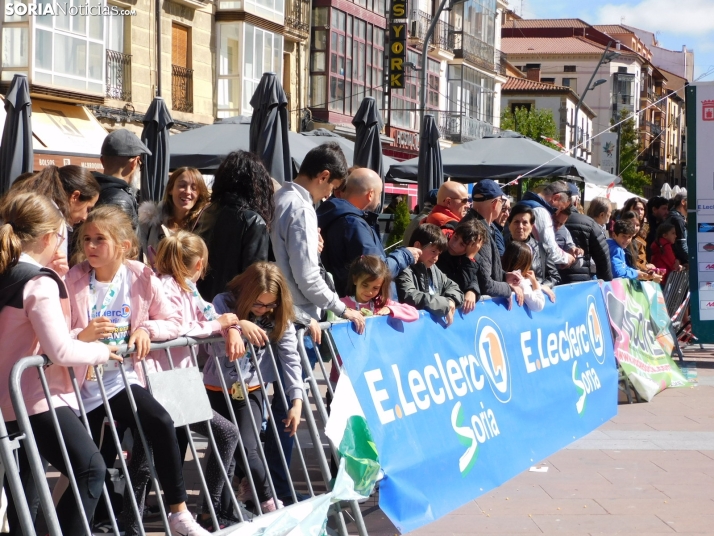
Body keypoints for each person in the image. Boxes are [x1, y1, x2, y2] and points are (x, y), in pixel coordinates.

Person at [64, 207, 210, 536]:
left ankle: (179, 512)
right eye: (86, 239)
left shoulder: (141, 275)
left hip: (124, 379)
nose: (90, 246)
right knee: (91, 466)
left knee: (162, 422)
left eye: (100, 239)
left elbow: (174, 321)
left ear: (124, 245)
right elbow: (55, 334)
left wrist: (145, 329)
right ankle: (83, 523)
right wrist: (81, 336)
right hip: (79, 386)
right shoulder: (73, 278)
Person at [0, 193, 118, 536]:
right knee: (90, 468)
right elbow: (61, 350)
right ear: (51, 237)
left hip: (12, 398)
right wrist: (98, 350)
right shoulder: (38, 281)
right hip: (34, 397)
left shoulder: (11, 271)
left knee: (24, 490)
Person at [122, 231, 241, 533]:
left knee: (221, 435)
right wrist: (218, 325)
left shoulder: (188, 287)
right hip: (160, 379)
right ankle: (133, 523)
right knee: (145, 455)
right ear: (200, 264)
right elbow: (177, 328)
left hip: (178, 378)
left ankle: (207, 512)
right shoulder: (166, 286)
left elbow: (213, 315)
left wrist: (234, 326)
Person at [206, 262, 304, 513]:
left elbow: (291, 356)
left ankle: (268, 502)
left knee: (247, 446)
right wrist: (236, 326)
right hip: (217, 388)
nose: (263, 311)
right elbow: (211, 346)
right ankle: (218, 511)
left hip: (252, 388)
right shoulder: (223, 303)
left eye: (270, 305)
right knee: (224, 453)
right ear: (247, 294)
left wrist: (296, 401)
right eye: (258, 304)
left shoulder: (277, 313)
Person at [271, 142, 366, 335]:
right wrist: (342, 309)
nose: (328, 196)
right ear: (324, 177)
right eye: (332, 187)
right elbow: (308, 277)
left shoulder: (278, 197)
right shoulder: (301, 209)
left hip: (284, 312)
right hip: (298, 319)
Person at [316, 167, 419, 295]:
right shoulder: (353, 223)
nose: (380, 199)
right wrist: (406, 254)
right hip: (359, 306)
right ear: (370, 194)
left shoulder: (341, 217)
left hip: (345, 301)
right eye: (380, 194)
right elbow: (376, 271)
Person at [196, 151, 274, 301]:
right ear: (257, 185)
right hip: (233, 310)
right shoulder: (253, 221)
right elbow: (256, 279)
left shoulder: (207, 211)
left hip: (201, 305)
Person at [7, 165, 101, 273]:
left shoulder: (31, 206)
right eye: (88, 209)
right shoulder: (57, 222)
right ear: (75, 196)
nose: (85, 217)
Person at [461, 180, 524, 307]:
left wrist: (505, 275)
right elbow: (486, 284)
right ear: (495, 204)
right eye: (502, 202)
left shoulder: (478, 225)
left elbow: (484, 270)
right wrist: (508, 289)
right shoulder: (478, 230)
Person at [138, 167, 210, 266]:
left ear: (199, 194)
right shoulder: (149, 220)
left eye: (194, 188)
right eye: (182, 185)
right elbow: (139, 257)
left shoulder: (204, 226)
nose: (187, 191)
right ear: (171, 189)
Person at [396, 223, 464, 326]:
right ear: (418, 246)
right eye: (433, 251)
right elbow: (410, 296)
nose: (436, 258)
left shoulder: (433, 268)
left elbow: (453, 287)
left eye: (438, 254)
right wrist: (445, 304)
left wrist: (451, 300)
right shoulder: (404, 268)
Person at [94, 129, 152, 228]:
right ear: (134, 162)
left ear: (102, 161)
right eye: (140, 164)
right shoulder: (120, 200)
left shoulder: (92, 187)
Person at [515, 181, 575, 267]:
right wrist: (567, 258)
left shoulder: (522, 203)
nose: (557, 214)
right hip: (527, 266)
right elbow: (549, 248)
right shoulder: (540, 211)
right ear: (555, 198)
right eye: (560, 208)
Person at [506, 205, 558, 302]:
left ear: (531, 227)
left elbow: (554, 277)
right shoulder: (501, 248)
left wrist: (539, 286)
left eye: (525, 222)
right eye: (516, 222)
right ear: (509, 225)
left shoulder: (542, 249)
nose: (520, 227)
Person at [436, 219, 487, 314]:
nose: (454, 245)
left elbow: (475, 278)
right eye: (455, 237)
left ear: (471, 248)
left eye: (462, 244)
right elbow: (455, 284)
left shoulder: (473, 259)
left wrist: (472, 290)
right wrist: (469, 258)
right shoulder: (439, 249)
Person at [559, 200, 612, 283]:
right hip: (581, 280)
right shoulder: (590, 223)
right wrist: (607, 283)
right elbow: (603, 259)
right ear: (576, 202)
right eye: (610, 213)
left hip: (553, 279)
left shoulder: (548, 219)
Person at [501, 241, 545, 312]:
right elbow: (538, 305)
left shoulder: (500, 274)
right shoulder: (518, 280)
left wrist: (542, 286)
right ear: (525, 264)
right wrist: (534, 282)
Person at [664, 193, 688, 266]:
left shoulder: (671, 215)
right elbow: (681, 244)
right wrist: (690, 260)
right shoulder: (678, 219)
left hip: (673, 259)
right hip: (678, 262)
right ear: (683, 202)